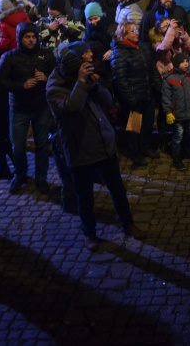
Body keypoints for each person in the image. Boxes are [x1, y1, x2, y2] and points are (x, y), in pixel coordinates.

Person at [46, 41, 147, 252]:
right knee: (85, 197)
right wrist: (81, 83)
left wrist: (94, 85)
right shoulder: (55, 88)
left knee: (117, 189)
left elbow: (108, 101)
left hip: (104, 145)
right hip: (80, 150)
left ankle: (127, 223)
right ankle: (89, 234)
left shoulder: (84, 82)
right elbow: (72, 108)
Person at [0, 21, 57, 194]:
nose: (31, 40)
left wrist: (46, 78)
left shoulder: (46, 55)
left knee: (42, 145)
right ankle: (20, 174)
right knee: (18, 146)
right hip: (19, 107)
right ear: (20, 38)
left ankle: (41, 178)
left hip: (41, 106)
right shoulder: (9, 57)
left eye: (34, 37)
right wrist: (21, 85)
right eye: (27, 37)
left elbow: (57, 76)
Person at [110, 21, 157, 167]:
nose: (137, 33)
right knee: (134, 128)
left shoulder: (142, 47)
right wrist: (130, 99)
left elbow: (151, 67)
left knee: (148, 124)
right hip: (134, 99)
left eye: (136, 30)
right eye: (132, 31)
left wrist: (156, 85)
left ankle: (145, 147)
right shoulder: (119, 53)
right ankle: (136, 153)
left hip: (147, 94)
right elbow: (120, 80)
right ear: (124, 34)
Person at [161, 52, 190, 171]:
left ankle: (189, 150)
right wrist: (168, 112)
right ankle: (177, 156)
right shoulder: (169, 78)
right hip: (178, 113)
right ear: (177, 63)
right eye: (182, 62)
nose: (186, 64)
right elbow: (166, 97)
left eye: (187, 61)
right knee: (178, 135)